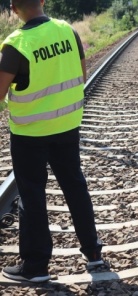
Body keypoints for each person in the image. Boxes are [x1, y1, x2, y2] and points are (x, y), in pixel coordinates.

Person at [0, 0, 106, 283]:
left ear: (13, 8)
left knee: (32, 194)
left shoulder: (16, 44)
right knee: (75, 184)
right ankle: (93, 252)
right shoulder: (67, 30)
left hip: (30, 134)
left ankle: (36, 266)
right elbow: (81, 75)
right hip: (67, 126)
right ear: (43, 1)